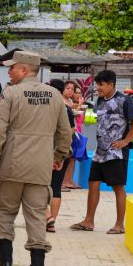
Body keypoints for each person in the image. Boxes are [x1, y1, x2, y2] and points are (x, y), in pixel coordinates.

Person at [0, 51, 72, 266]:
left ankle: (5, 265)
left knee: (4, 212)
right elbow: (65, 133)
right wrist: (59, 156)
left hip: (11, 166)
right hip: (41, 167)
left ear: (24, 70)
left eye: (12, 68)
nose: (9, 72)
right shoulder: (55, 96)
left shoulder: (11, 93)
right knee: (36, 216)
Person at [70, 70, 133, 235]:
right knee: (93, 183)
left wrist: (126, 141)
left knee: (118, 187)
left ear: (111, 84)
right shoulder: (100, 101)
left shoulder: (124, 101)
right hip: (100, 152)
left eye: (101, 84)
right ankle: (88, 221)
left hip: (116, 152)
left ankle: (119, 224)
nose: (98, 88)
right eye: (97, 84)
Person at [46, 79, 76, 233]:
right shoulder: (67, 109)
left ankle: (47, 217)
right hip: (63, 151)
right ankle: (52, 221)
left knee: (40, 185)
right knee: (56, 187)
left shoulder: (47, 107)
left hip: (46, 152)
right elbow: (72, 129)